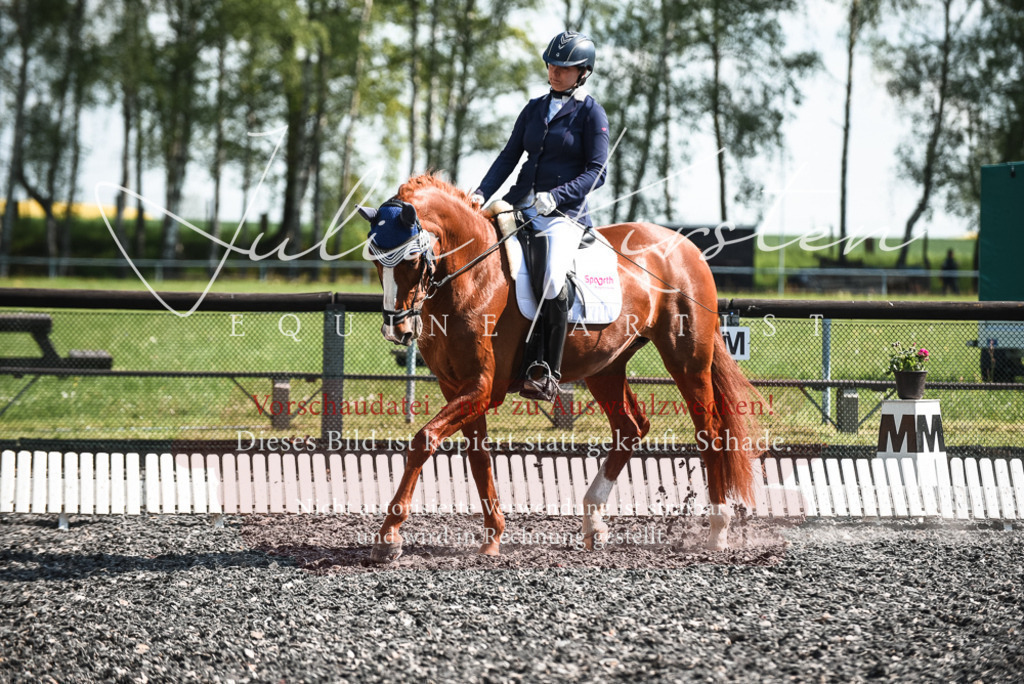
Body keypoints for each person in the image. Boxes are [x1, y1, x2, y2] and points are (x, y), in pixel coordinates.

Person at [471, 30, 610, 402]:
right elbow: (508, 156)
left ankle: (547, 369)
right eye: (552, 65)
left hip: (564, 215)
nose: (555, 72)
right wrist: (482, 191)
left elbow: (598, 171)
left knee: (550, 281)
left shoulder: (590, 112)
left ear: (583, 72)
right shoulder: (534, 108)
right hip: (519, 207)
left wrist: (558, 196)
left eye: (565, 68)